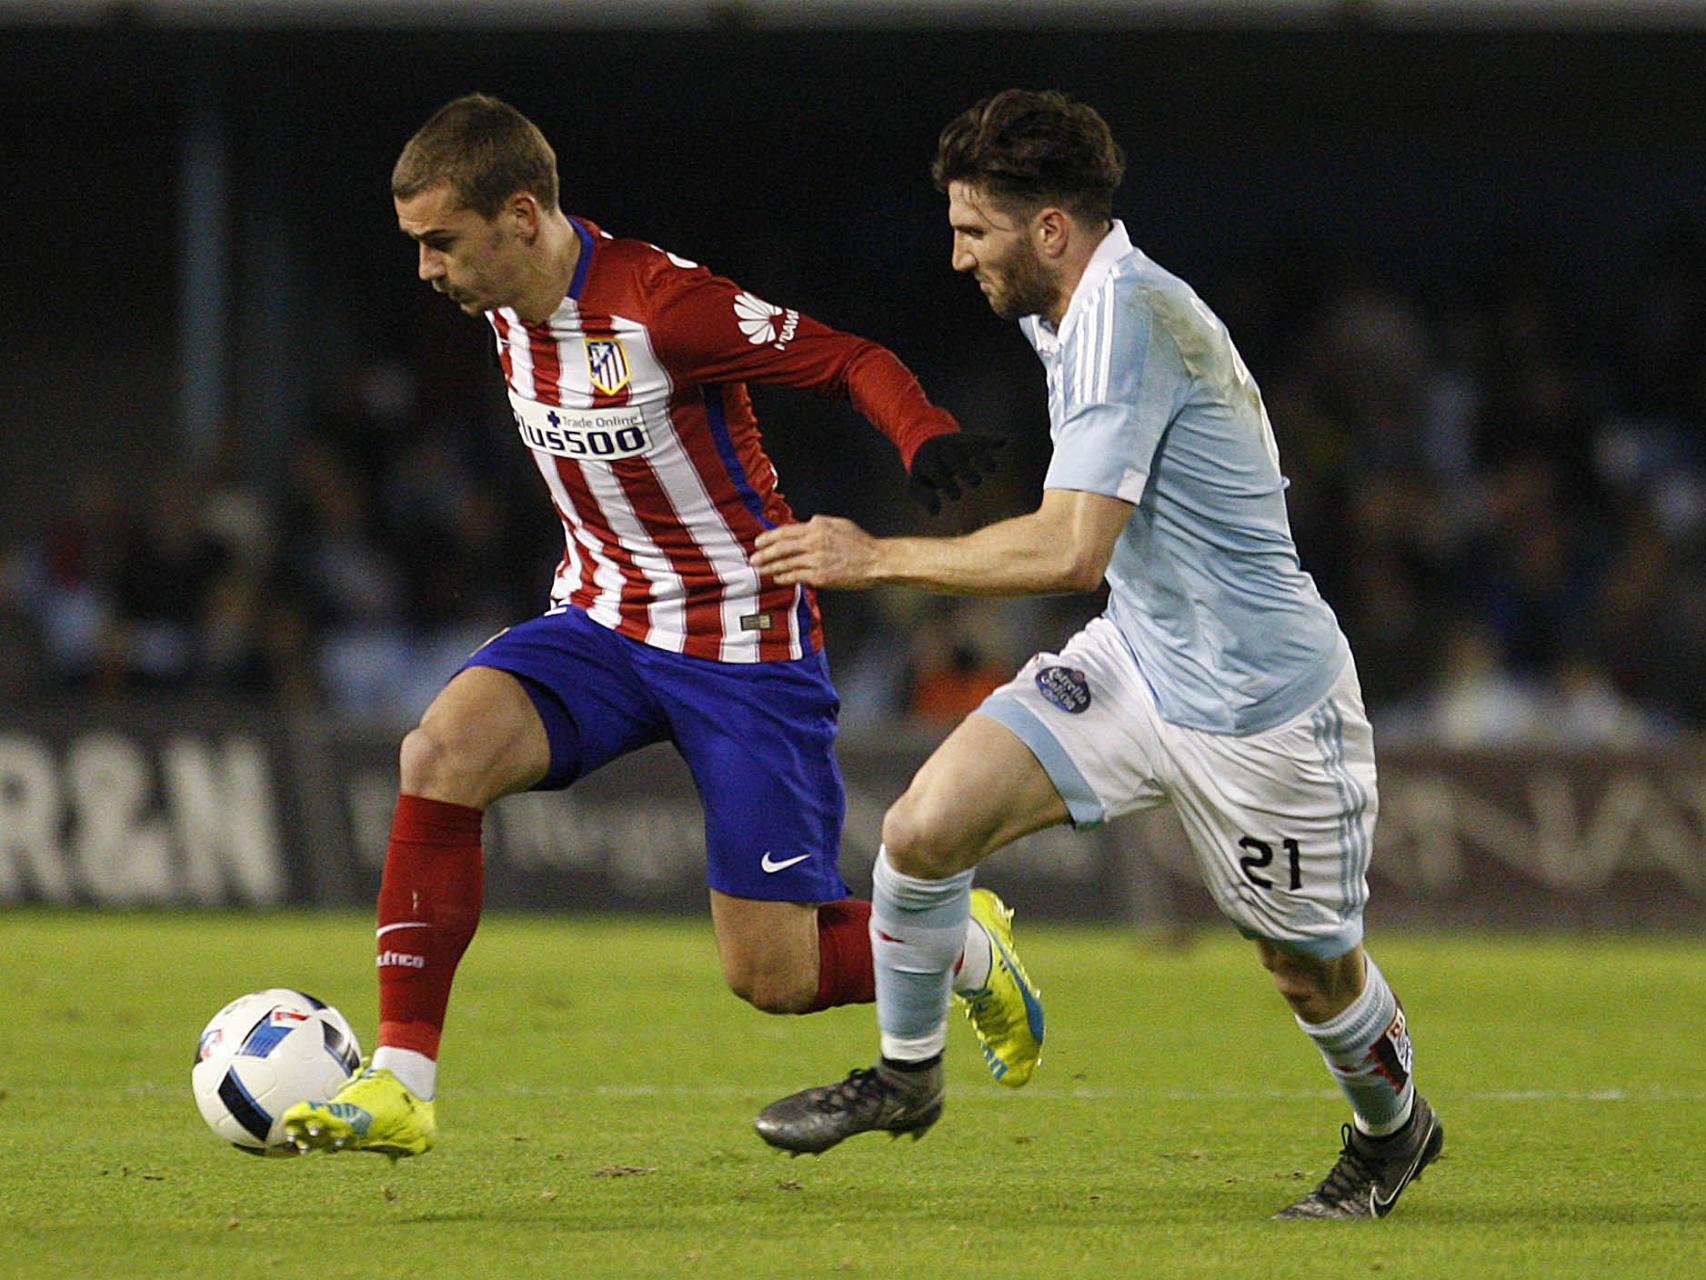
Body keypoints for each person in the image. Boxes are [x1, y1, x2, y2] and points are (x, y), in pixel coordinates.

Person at [282, 93, 1042, 1160]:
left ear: (520, 215)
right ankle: (401, 1081)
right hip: (600, 617)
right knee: (439, 750)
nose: (426, 270)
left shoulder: (660, 305)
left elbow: (847, 357)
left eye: (440, 243)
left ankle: (960, 946)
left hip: (740, 645)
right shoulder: (492, 302)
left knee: (770, 974)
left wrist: (922, 435)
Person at [750, 89, 1443, 1221]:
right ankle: (906, 1075)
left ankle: (1392, 1126)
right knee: (923, 829)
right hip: (1138, 656)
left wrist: (878, 556)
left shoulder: (1126, 318)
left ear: (1049, 229)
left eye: (974, 229)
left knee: (1304, 965)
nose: (957, 253)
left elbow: (1074, 545)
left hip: (1258, 704)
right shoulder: (1064, 308)